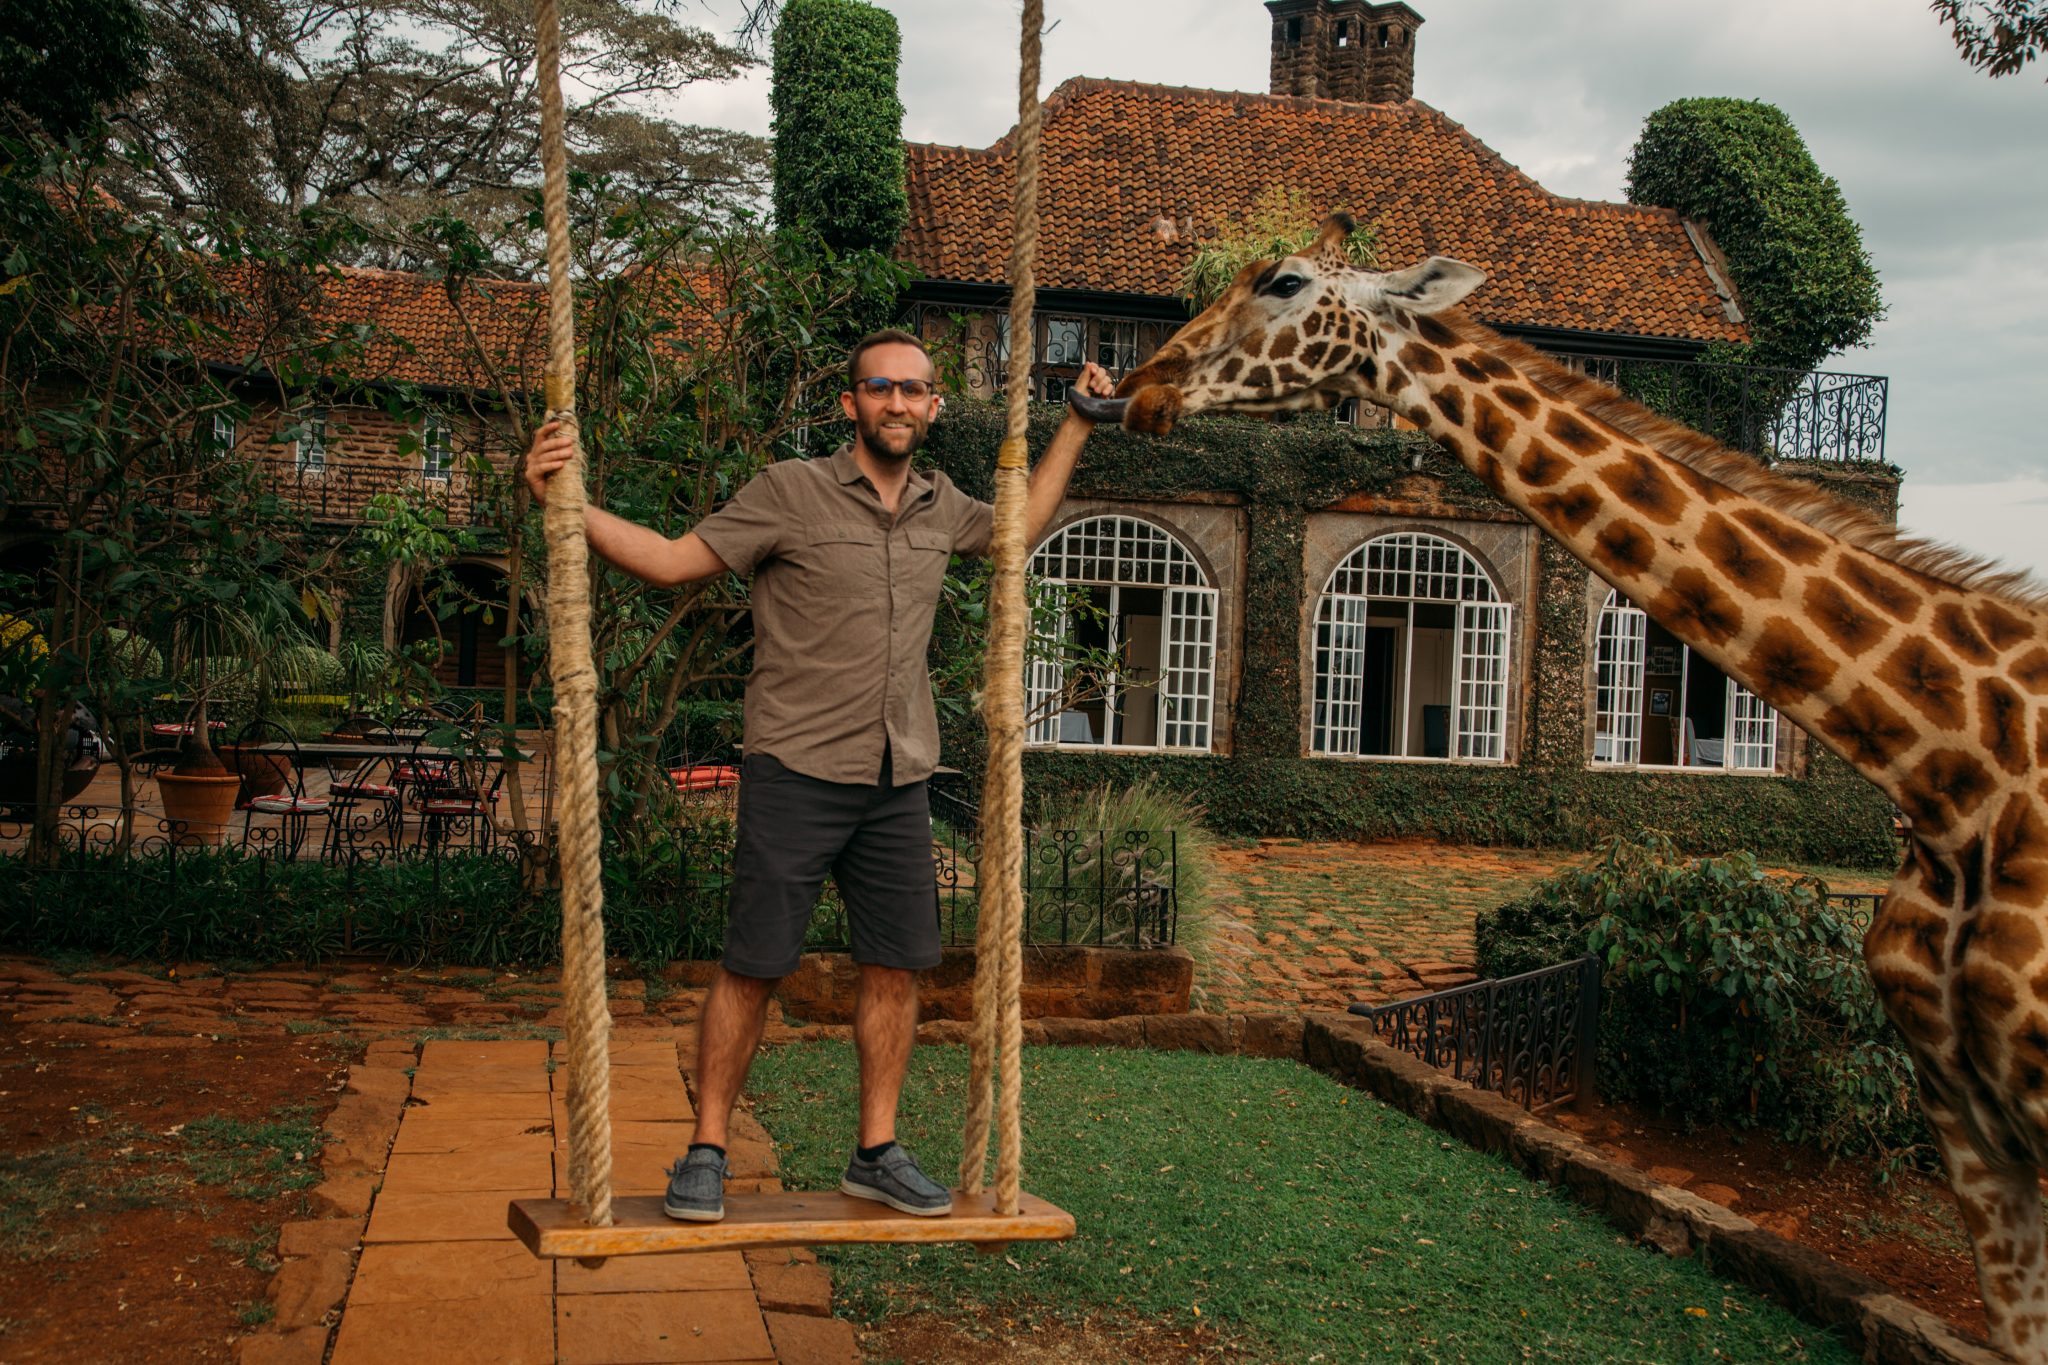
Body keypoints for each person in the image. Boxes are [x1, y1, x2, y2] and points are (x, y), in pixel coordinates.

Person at [524, 329, 1114, 1222]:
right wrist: (563, 508)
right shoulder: (788, 493)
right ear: (852, 403)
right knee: (752, 966)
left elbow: (1019, 530)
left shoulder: (940, 503)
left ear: (932, 407)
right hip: (795, 767)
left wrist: (1075, 420)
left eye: (917, 391)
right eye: (883, 388)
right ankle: (708, 1149)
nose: (900, 404)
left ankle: (875, 1150)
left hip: (897, 775)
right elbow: (673, 559)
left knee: (896, 967)